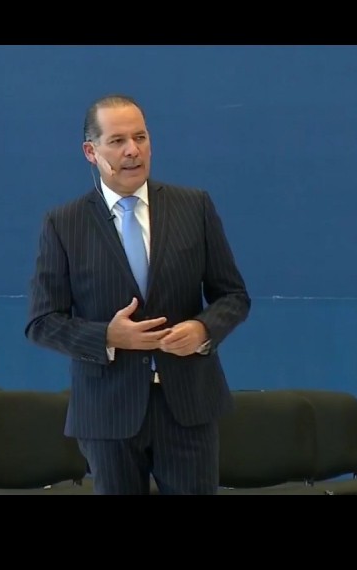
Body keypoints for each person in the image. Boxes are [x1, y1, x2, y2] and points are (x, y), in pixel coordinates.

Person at [25, 94, 250, 495]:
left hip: (188, 406)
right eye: (117, 141)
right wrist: (107, 336)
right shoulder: (64, 223)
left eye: (140, 137)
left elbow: (233, 296)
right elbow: (42, 322)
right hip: (107, 410)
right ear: (91, 152)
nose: (132, 150)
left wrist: (202, 330)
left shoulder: (193, 206)